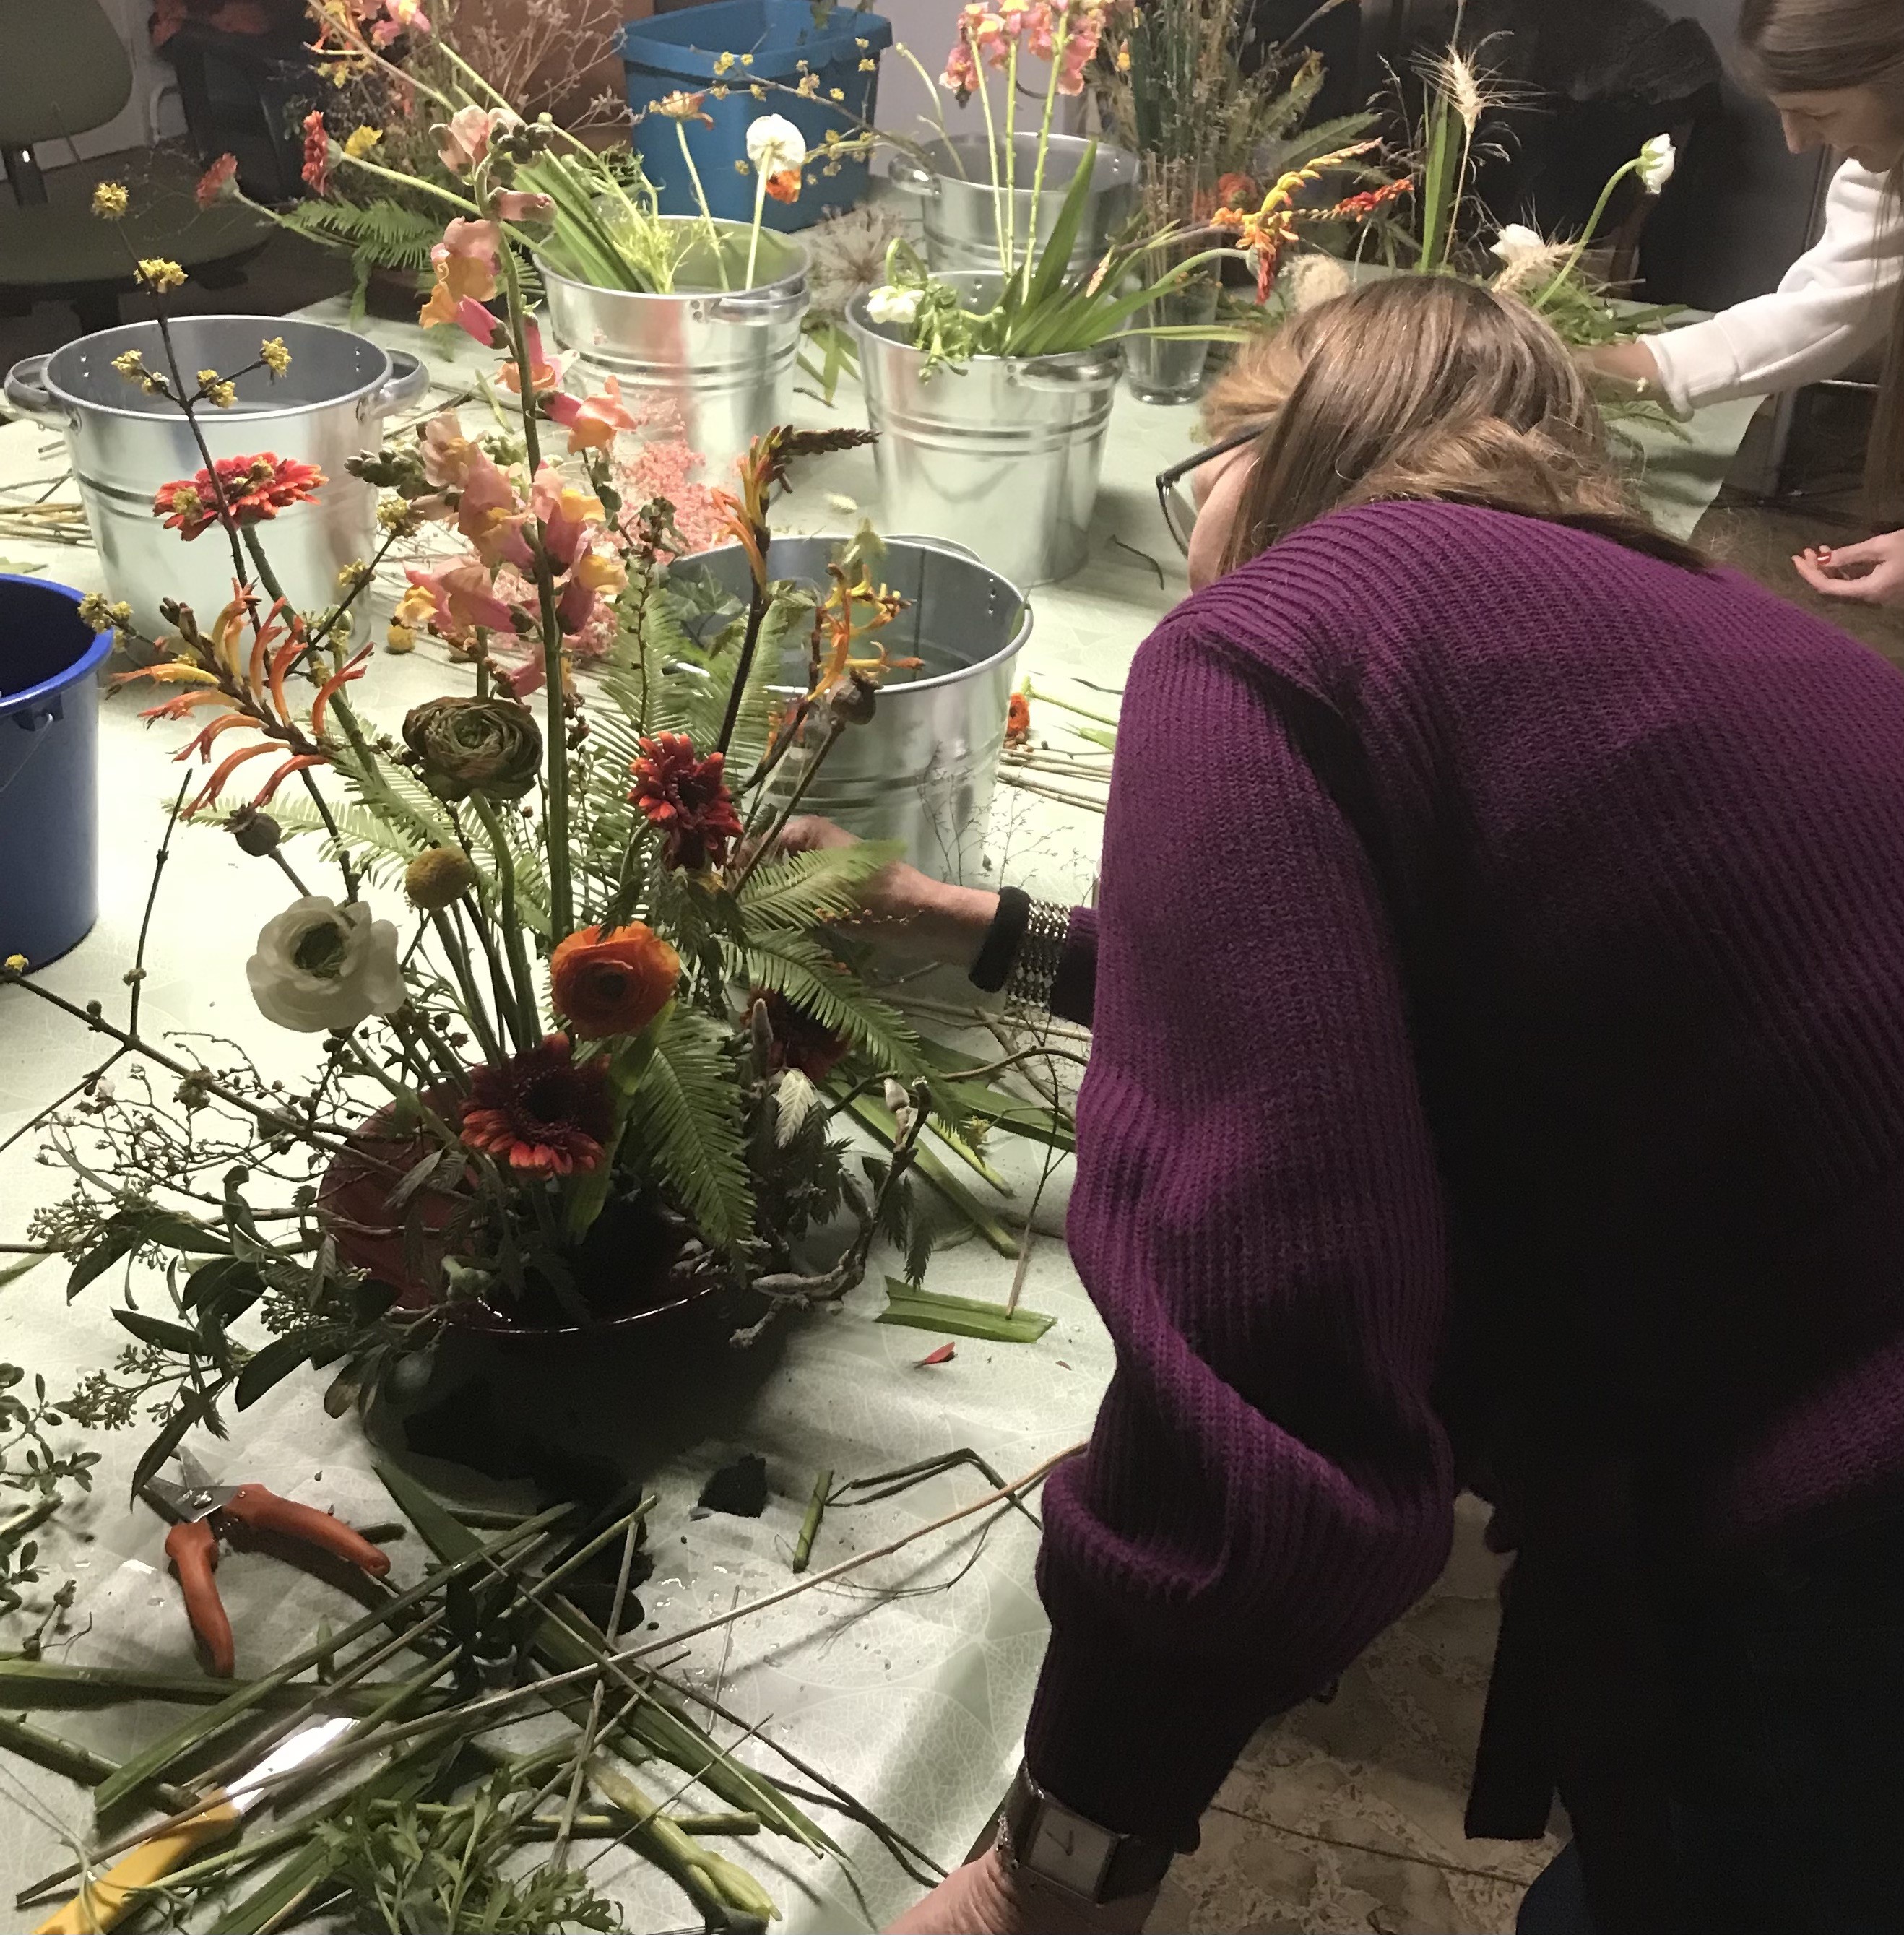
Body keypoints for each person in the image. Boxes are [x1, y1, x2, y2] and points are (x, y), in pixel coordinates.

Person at [797, 275, 1904, 1935]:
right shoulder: (1659, 624)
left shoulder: (1272, 630)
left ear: (1275, 448)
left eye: (1198, 467)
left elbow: (1273, 1334)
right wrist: (965, 922)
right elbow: (1394, 995)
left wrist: (1059, 1857)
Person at [1590, 0, 1904, 605]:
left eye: (1819, 113)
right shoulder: (1884, 165)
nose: (1796, 143)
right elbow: (1822, 312)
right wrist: (1596, 365)